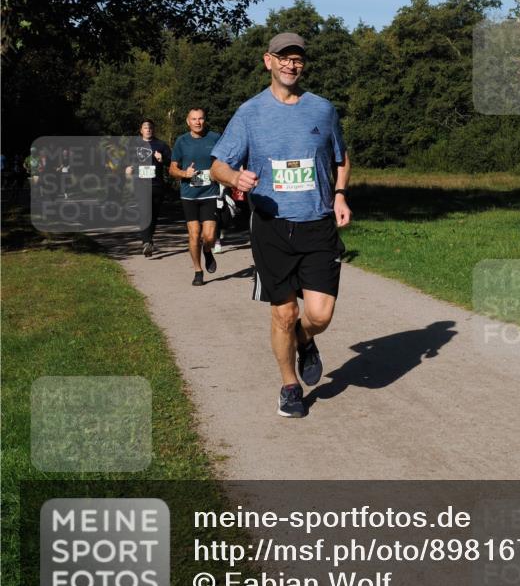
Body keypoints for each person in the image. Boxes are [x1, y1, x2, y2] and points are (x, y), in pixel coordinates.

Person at [211, 32, 352, 418]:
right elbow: (218, 163)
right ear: (268, 61)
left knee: (319, 314)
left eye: (298, 59)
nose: (292, 64)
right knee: (283, 313)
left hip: (318, 223)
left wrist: (339, 195)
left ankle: (304, 340)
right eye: (283, 57)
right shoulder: (250, 113)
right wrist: (232, 178)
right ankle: (289, 385)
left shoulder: (322, 109)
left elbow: (341, 158)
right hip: (272, 226)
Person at [169, 108, 221, 286]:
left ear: (205, 120)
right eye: (194, 119)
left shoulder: (215, 138)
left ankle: (207, 250)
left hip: (210, 193)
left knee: (209, 236)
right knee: (194, 234)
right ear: (187, 121)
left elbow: (225, 161)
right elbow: (172, 169)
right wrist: (185, 173)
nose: (197, 122)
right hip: (189, 195)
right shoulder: (181, 141)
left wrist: (219, 172)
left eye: (200, 119)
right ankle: (198, 271)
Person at [125, 120, 171, 257]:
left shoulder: (161, 145)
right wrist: (127, 167)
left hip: (157, 184)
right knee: (145, 212)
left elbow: (172, 162)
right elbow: (126, 160)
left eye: (151, 127)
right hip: (141, 184)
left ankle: (149, 240)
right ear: (141, 130)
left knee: (154, 215)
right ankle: (146, 242)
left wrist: (162, 159)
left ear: (154, 130)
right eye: (146, 127)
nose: (148, 129)